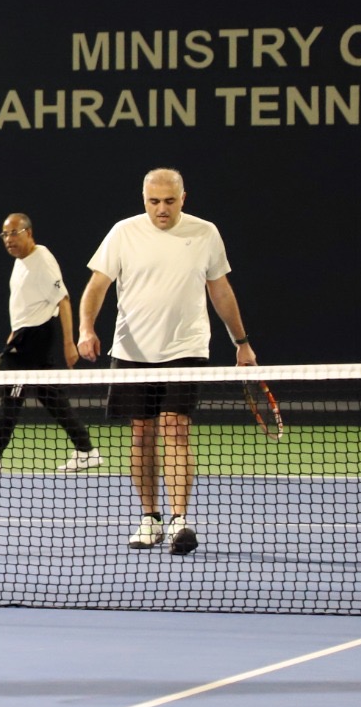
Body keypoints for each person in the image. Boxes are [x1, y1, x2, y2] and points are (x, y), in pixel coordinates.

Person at [76, 168, 255, 556]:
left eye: (170, 201)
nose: (162, 209)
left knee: (175, 429)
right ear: (144, 200)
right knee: (141, 435)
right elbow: (96, 287)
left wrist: (241, 342)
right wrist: (85, 328)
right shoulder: (123, 233)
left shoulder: (205, 233)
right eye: (154, 202)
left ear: (183, 199)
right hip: (132, 351)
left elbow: (221, 291)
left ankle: (179, 520)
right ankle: (150, 518)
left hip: (186, 348)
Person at [0, 213, 101, 473]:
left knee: (12, 398)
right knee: (50, 397)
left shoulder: (42, 260)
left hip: (35, 338)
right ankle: (86, 449)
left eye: (14, 233)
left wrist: (69, 343)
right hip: (24, 336)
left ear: (29, 232)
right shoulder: (20, 262)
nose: (8, 239)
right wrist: (15, 332)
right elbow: (26, 303)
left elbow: (63, 301)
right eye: (4, 235)